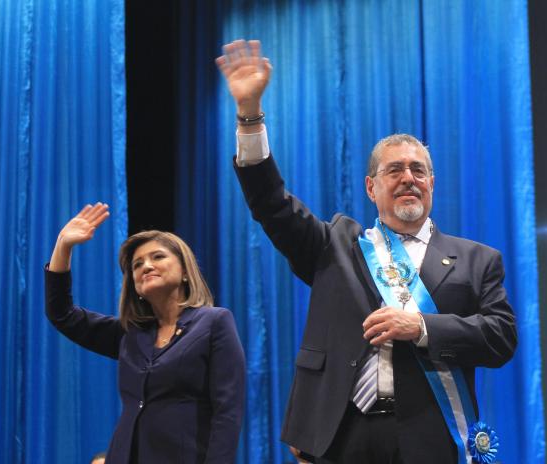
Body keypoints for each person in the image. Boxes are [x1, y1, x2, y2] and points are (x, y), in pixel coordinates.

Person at [216, 39, 518, 463]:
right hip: (340, 434)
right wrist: (249, 115)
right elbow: (271, 202)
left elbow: (501, 339)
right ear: (371, 187)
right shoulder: (336, 246)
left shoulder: (478, 260)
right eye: (394, 170)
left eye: (419, 170)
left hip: (430, 434)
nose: (408, 177)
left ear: (432, 184)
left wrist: (422, 327)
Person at [45, 203, 245, 463]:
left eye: (158, 257)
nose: (146, 266)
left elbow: (228, 411)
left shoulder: (214, 322)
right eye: (137, 264)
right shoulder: (130, 333)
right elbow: (62, 314)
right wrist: (63, 246)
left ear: (185, 271)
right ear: (136, 286)